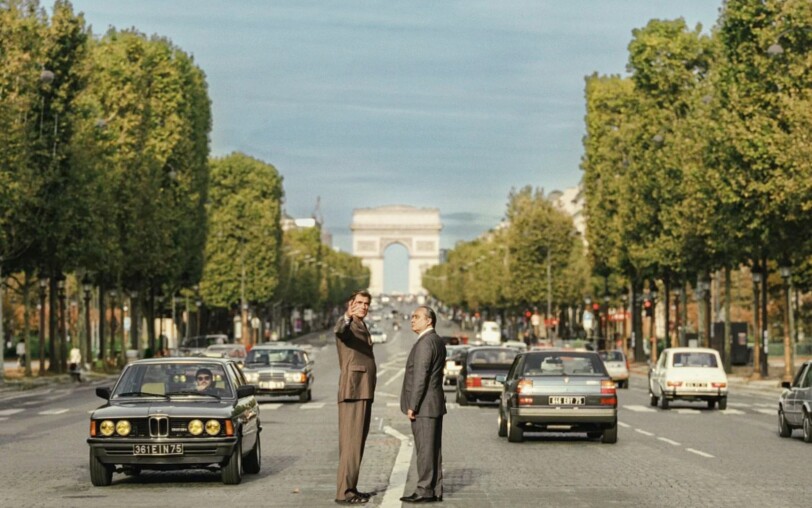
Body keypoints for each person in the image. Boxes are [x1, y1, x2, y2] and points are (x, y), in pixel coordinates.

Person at [399, 306, 446, 504]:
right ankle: (434, 488)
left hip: (424, 405)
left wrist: (413, 405)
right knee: (433, 450)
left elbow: (420, 376)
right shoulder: (437, 340)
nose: (412, 320)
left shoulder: (425, 343)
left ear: (429, 321)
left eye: (416, 317)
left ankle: (424, 489)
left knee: (425, 450)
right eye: (412, 317)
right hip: (433, 403)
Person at [333, 289, 377, 505]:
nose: (363, 306)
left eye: (366, 303)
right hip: (353, 389)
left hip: (362, 389)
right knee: (351, 443)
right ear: (350, 304)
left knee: (356, 443)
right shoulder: (348, 324)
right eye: (359, 303)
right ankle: (344, 492)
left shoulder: (362, 324)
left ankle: (351, 487)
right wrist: (347, 317)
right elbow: (340, 330)